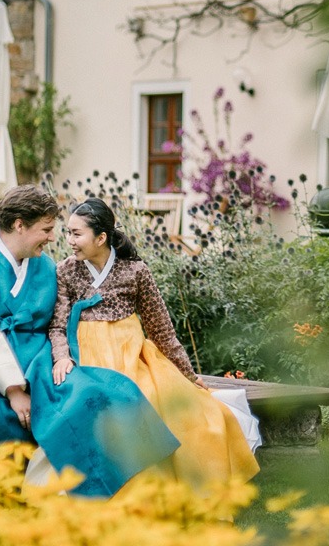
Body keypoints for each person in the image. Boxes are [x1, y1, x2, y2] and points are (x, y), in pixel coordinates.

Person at [0, 184, 179, 497]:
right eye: (46, 229)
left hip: (35, 356)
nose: (53, 238)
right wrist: (14, 389)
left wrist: (63, 356)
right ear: (19, 225)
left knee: (96, 392)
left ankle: (97, 487)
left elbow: (57, 322)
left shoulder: (44, 267)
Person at [51, 197, 260, 492]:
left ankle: (170, 489)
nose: (69, 240)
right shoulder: (66, 270)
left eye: (76, 233)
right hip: (87, 357)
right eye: (67, 232)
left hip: (130, 354)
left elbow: (161, 330)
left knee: (166, 404)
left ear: (100, 238)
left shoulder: (137, 272)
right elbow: (57, 325)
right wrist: (61, 357)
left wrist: (188, 374)